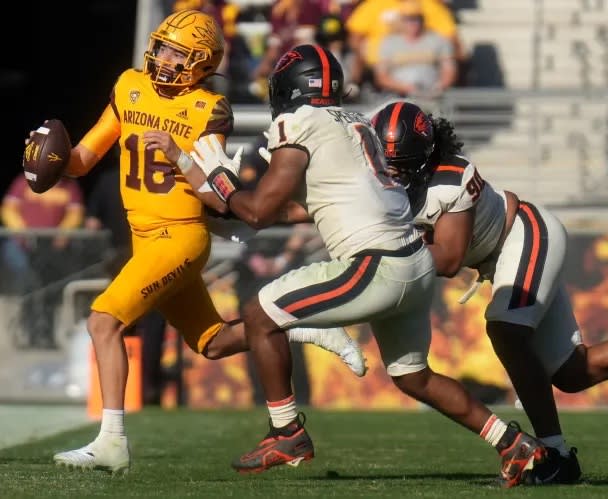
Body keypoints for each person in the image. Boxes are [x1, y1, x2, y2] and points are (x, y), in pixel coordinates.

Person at [187, 43, 547, 487]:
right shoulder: (356, 122)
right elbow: (313, 201)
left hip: (377, 264)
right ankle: (514, 444)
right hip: (413, 262)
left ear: (286, 88)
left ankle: (287, 432)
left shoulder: (298, 122)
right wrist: (225, 208)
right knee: (414, 377)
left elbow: (261, 210)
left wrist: (220, 181)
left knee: (261, 314)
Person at [37, 9, 363, 474]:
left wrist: (178, 155)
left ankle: (111, 441)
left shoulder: (206, 109)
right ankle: (303, 327)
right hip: (145, 238)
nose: (165, 57)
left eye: (177, 52)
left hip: (181, 236)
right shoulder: (129, 85)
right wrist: (49, 159)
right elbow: (83, 160)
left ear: (202, 63)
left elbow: (218, 189)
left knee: (102, 321)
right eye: (164, 46)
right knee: (211, 343)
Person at [371, 100, 608, 484]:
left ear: (424, 158)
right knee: (574, 372)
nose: (391, 172)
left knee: (505, 329)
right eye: (384, 160)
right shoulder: (370, 174)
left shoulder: (451, 177)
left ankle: (553, 454)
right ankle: (560, 459)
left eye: (401, 163)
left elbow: (449, 260)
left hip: (523, 235)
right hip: (500, 259)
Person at [1, 173, 84, 347]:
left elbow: (75, 213)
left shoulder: (69, 186)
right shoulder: (23, 182)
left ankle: (47, 334)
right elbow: (8, 209)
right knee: (28, 289)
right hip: (24, 248)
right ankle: (27, 334)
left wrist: (63, 233)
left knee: (51, 291)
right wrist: (24, 232)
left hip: (53, 249)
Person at [373, 0, 456, 102]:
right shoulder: (389, 42)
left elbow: (449, 70)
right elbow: (381, 76)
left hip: (431, 94)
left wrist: (439, 87)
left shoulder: (438, 40)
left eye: (416, 19)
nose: (413, 23)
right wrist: (404, 87)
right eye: (408, 19)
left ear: (422, 19)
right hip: (398, 96)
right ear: (401, 21)